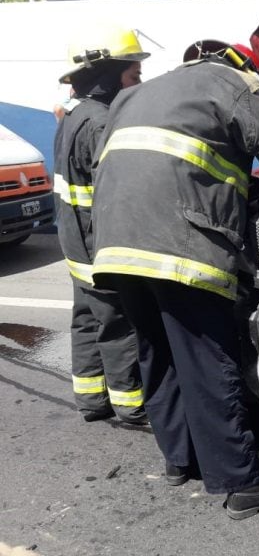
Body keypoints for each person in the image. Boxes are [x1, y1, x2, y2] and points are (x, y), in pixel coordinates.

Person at [90, 39, 259, 519]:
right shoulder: (231, 85)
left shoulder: (137, 95)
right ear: (247, 69)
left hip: (115, 240)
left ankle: (181, 459)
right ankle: (241, 482)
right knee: (205, 359)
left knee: (157, 351)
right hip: (178, 245)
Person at [53, 27, 150, 425]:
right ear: (107, 75)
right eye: (132, 75)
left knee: (87, 317)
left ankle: (92, 400)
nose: (139, 82)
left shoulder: (75, 113)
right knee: (118, 320)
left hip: (75, 237)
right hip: (98, 239)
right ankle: (131, 404)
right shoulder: (100, 123)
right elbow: (119, 189)